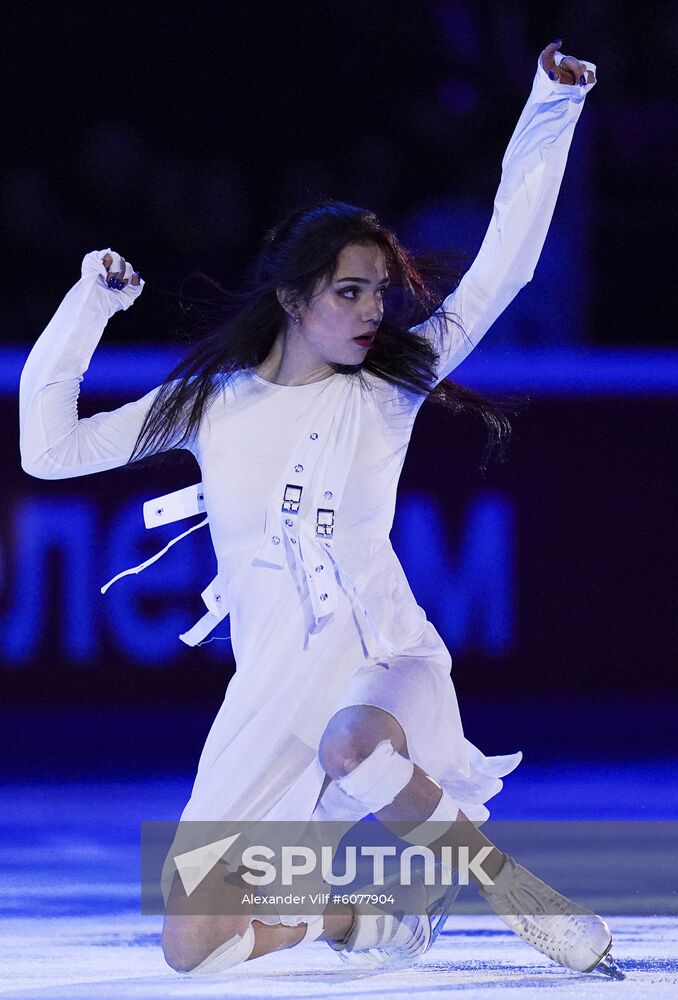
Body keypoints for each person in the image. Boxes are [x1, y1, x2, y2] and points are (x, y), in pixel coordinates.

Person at [19, 40, 624, 981]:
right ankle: (364, 920)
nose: (371, 310)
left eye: (378, 291)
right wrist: (88, 305)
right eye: (350, 291)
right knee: (196, 947)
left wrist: (550, 106)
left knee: (353, 742)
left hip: (386, 666)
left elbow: (499, 273)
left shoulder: (386, 391)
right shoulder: (214, 400)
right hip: (269, 697)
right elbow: (47, 452)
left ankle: (516, 895)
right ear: (296, 297)